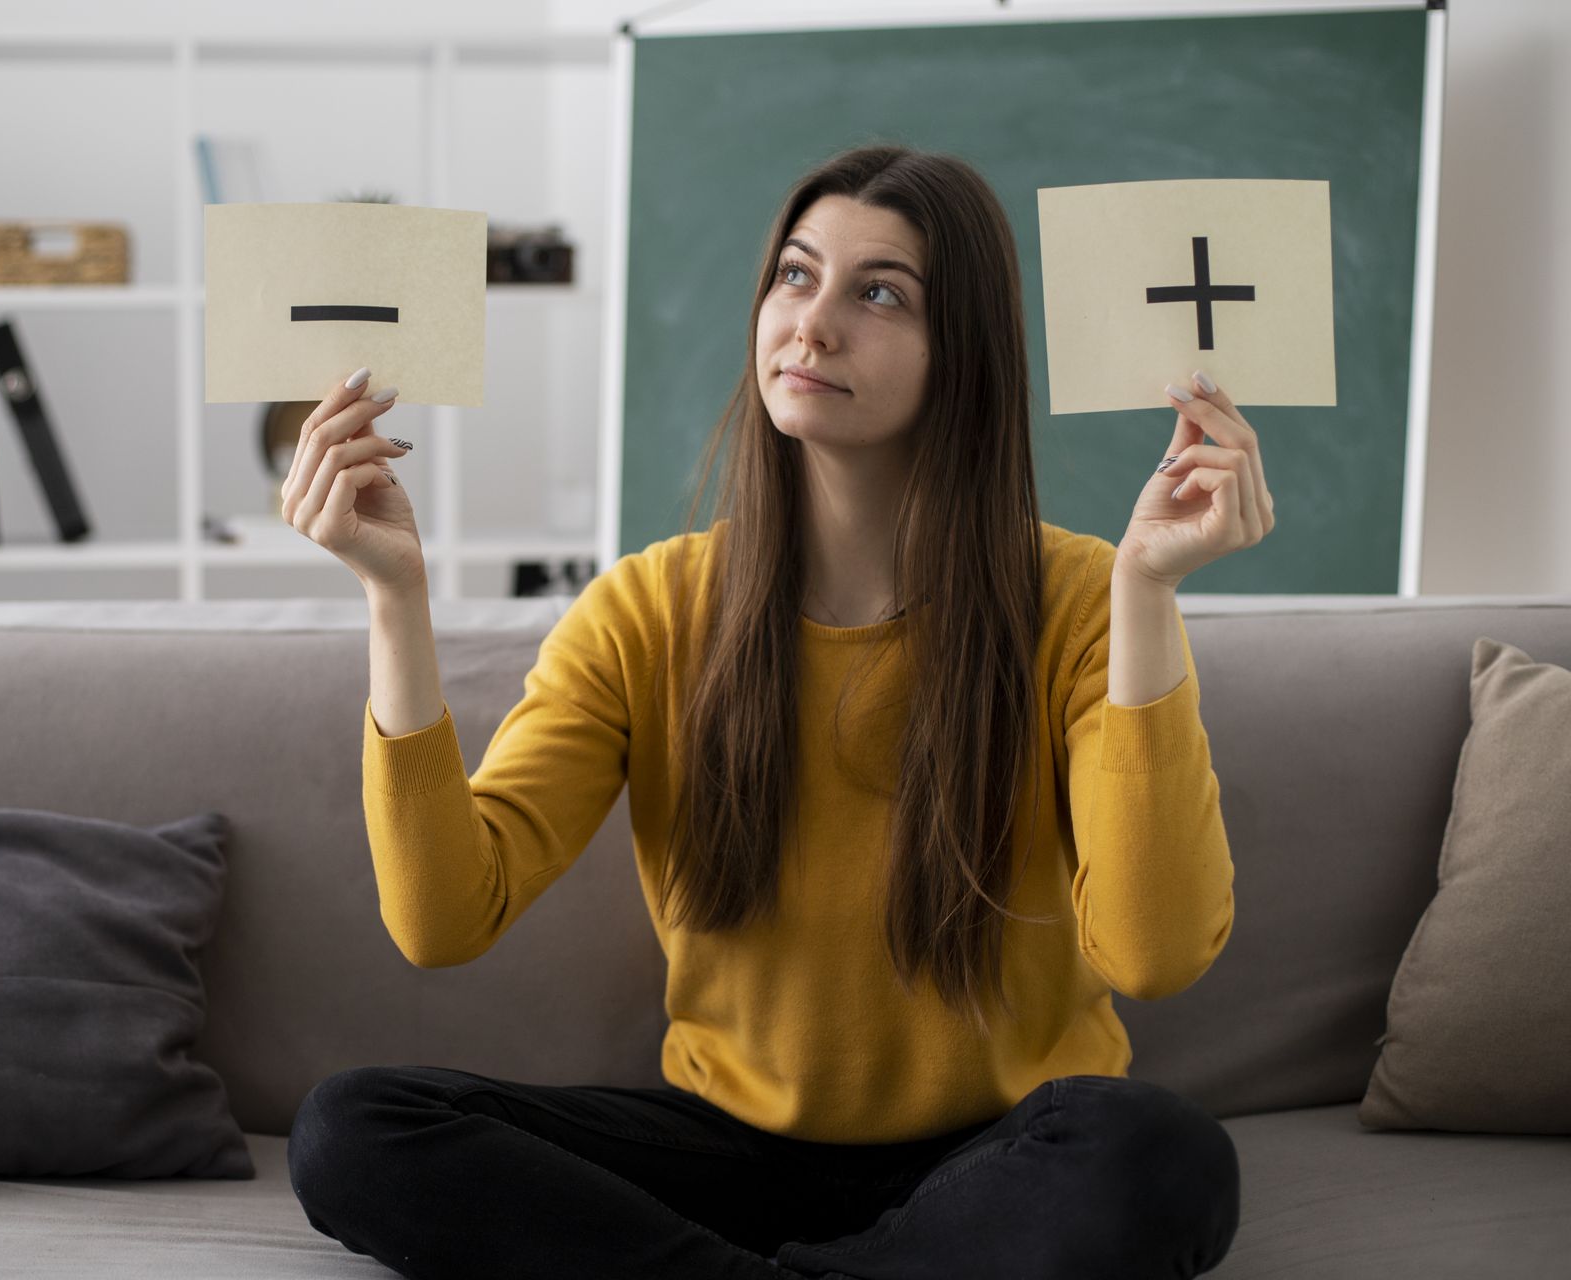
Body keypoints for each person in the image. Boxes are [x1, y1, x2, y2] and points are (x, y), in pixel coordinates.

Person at [275, 143, 1274, 1280]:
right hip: (726, 1151)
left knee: (1163, 1154)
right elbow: (443, 916)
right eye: (795, 277)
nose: (813, 324)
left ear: (966, 353)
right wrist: (393, 592)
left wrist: (1147, 592)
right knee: (352, 1127)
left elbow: (1150, 954)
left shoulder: (1088, 597)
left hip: (997, 1157)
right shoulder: (648, 607)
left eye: (879, 292)